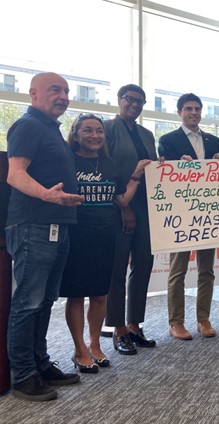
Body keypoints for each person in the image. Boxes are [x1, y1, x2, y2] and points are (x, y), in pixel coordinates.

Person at [5, 72, 83, 401]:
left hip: (56, 225)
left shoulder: (51, 128)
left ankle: (40, 363)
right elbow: (14, 174)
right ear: (34, 94)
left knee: (46, 301)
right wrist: (46, 195)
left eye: (66, 90)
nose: (63, 96)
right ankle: (22, 374)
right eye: (55, 90)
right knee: (28, 302)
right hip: (33, 225)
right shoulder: (28, 125)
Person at [60, 114, 150, 373]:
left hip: (105, 236)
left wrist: (135, 176)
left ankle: (95, 344)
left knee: (100, 295)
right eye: (87, 130)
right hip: (77, 236)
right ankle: (79, 350)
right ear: (76, 134)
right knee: (76, 295)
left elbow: (121, 200)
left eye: (99, 131)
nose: (95, 135)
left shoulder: (109, 164)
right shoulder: (68, 160)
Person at [158, 93, 219, 340]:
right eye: (189, 108)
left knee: (207, 270)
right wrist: (178, 164)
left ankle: (203, 319)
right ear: (179, 112)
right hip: (182, 217)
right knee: (178, 271)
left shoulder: (214, 140)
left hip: (208, 216)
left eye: (197, 108)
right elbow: (166, 172)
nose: (194, 112)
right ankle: (175, 322)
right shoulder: (167, 140)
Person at [104, 84, 158, 355]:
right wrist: (122, 205)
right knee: (116, 268)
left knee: (143, 264)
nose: (135, 105)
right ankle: (118, 329)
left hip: (146, 207)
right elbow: (105, 169)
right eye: (130, 100)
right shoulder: (107, 129)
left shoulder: (147, 134)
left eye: (140, 101)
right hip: (119, 207)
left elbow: (155, 168)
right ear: (119, 100)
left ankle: (134, 325)